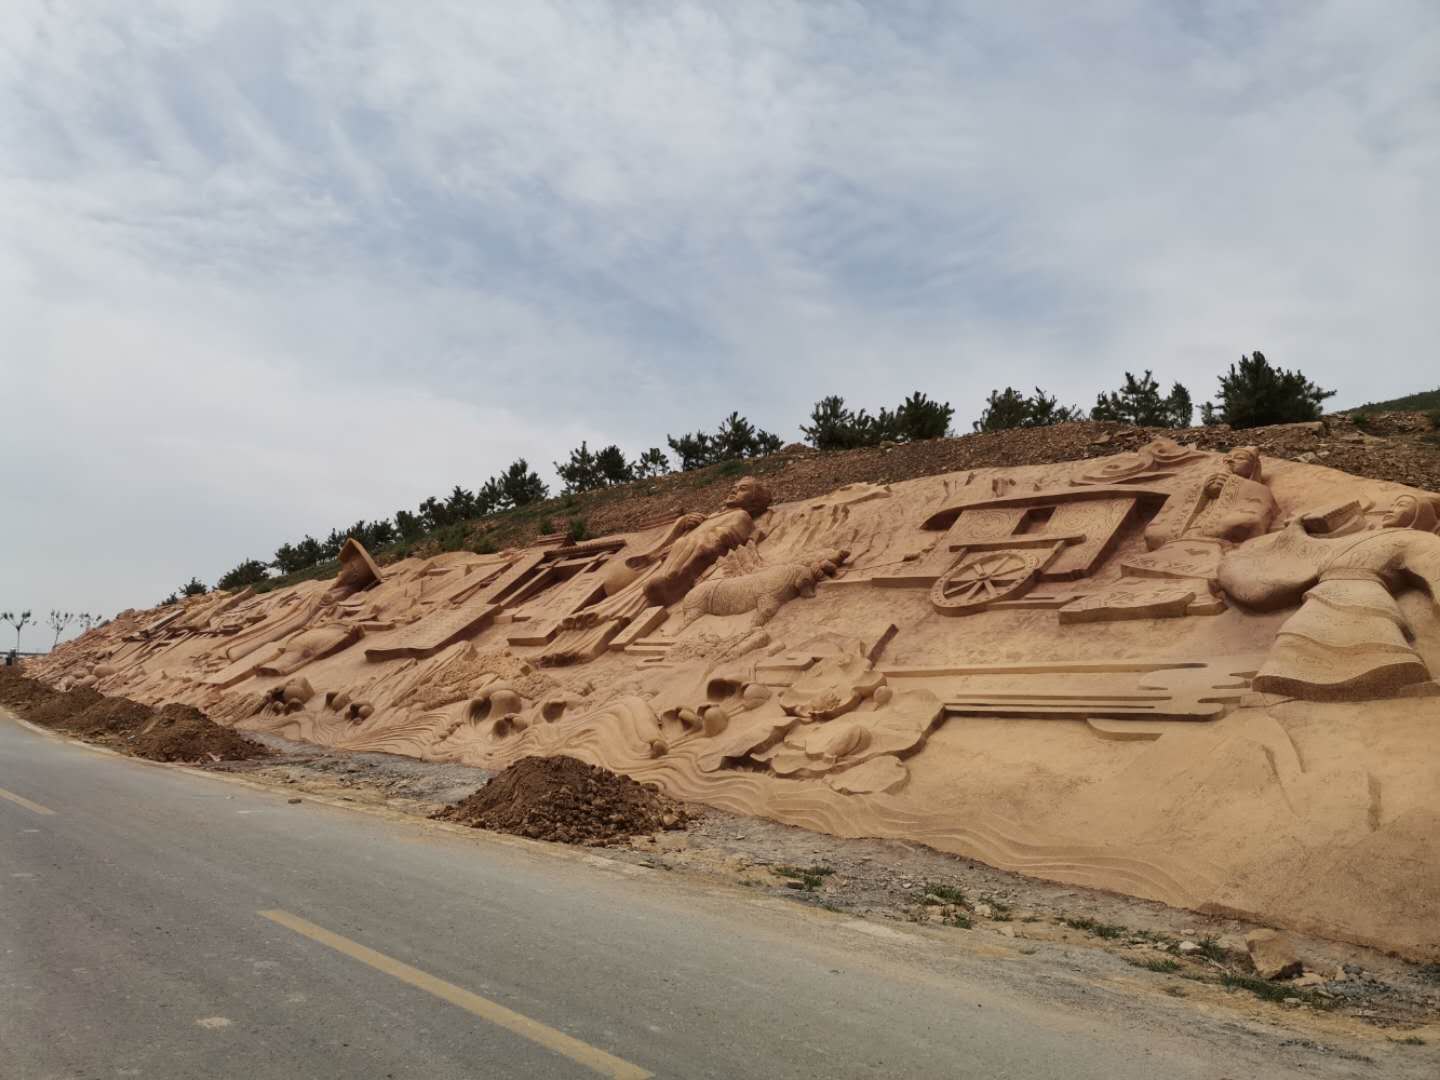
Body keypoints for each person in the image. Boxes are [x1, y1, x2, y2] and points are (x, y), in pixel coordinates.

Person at [1218, 506, 1440, 700]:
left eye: (1403, 505)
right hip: (1321, 595)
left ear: (1420, 515)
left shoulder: (1418, 539)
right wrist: (1297, 529)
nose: (1392, 509)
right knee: (1297, 645)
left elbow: (1434, 566)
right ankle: (1287, 687)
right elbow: (1311, 552)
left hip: (1363, 594)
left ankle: (1391, 679)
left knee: (1373, 645)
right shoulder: (1352, 539)